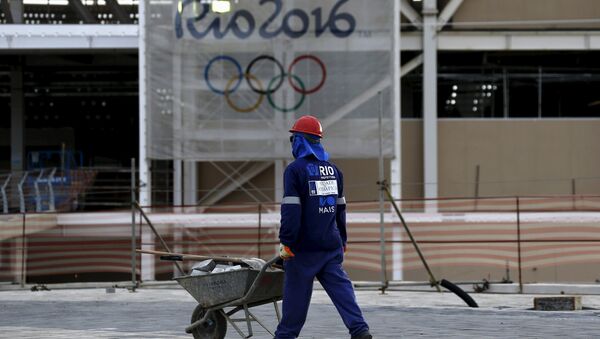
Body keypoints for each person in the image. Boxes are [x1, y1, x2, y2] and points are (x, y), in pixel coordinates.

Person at [274, 115, 372, 339]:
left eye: (293, 140)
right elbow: (340, 210)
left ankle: (285, 336)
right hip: (330, 245)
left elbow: (291, 211)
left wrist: (286, 242)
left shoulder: (295, 171)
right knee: (341, 289)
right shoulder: (334, 171)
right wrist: (343, 240)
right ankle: (359, 329)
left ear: (299, 141)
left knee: (295, 298)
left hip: (303, 249)